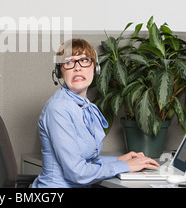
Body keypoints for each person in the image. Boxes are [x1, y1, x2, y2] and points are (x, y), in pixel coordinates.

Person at [32, 38, 159, 188]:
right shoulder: (58, 109)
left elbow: (87, 162)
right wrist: (125, 166)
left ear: (95, 68)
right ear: (59, 72)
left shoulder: (84, 106)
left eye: (84, 60)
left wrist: (119, 161)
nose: (77, 68)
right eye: (69, 62)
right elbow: (77, 172)